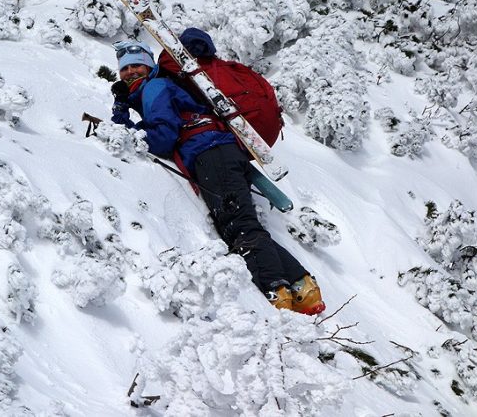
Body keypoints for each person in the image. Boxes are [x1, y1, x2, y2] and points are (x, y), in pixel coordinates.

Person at [109, 38, 325, 314]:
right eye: (124, 69)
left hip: (209, 153)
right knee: (241, 223)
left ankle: (276, 290)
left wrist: (132, 130)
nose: (130, 72)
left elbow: (162, 136)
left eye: (137, 65)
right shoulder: (155, 89)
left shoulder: (155, 87)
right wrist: (121, 107)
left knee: (239, 227)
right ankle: (302, 288)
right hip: (220, 151)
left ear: (149, 66)